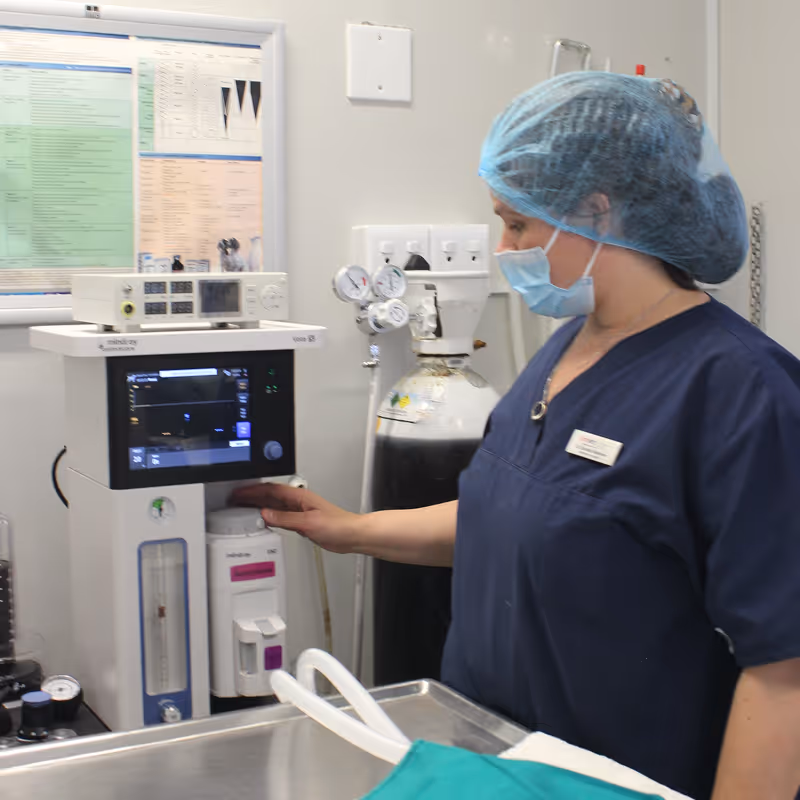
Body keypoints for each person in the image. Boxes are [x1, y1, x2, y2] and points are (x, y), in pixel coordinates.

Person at [236, 73, 800, 800]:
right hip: (492, 759)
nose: (505, 248)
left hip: (619, 779)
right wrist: (352, 530)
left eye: (519, 225)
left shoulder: (743, 394)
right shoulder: (562, 350)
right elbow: (513, 512)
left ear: (599, 213)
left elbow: (784, 669)